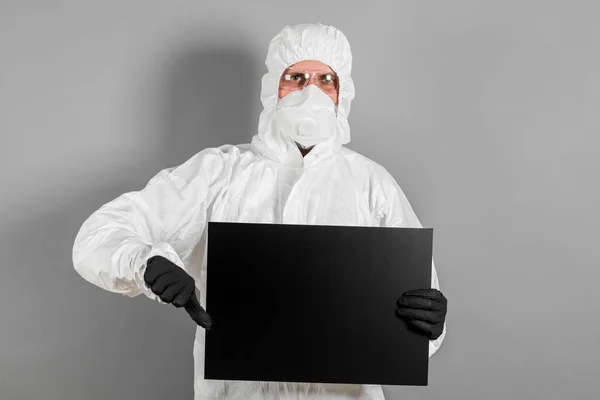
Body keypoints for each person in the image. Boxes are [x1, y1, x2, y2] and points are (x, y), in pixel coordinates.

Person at [72, 23, 447, 400]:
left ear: (341, 92)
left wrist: (429, 323)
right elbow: (98, 235)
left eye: (325, 80)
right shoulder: (219, 172)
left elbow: (419, 304)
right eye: (296, 77)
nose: (310, 93)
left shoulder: (370, 184)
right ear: (273, 88)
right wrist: (146, 263)